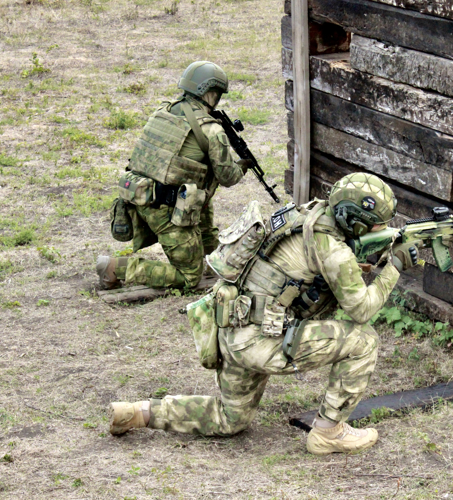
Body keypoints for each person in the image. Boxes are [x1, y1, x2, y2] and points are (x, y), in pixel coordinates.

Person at [108, 173, 421, 455]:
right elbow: (362, 309)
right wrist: (393, 267)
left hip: (232, 330)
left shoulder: (306, 214)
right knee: (364, 341)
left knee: (229, 419)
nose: (384, 228)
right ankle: (329, 432)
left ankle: (137, 412)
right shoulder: (332, 249)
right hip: (262, 341)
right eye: (379, 223)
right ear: (354, 221)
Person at [97, 61, 248, 290]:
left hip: (137, 193)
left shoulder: (164, 110)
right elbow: (227, 177)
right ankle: (115, 267)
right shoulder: (210, 129)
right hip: (166, 207)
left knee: (200, 192)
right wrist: (243, 166)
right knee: (189, 277)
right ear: (209, 92)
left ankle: (211, 258)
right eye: (217, 93)